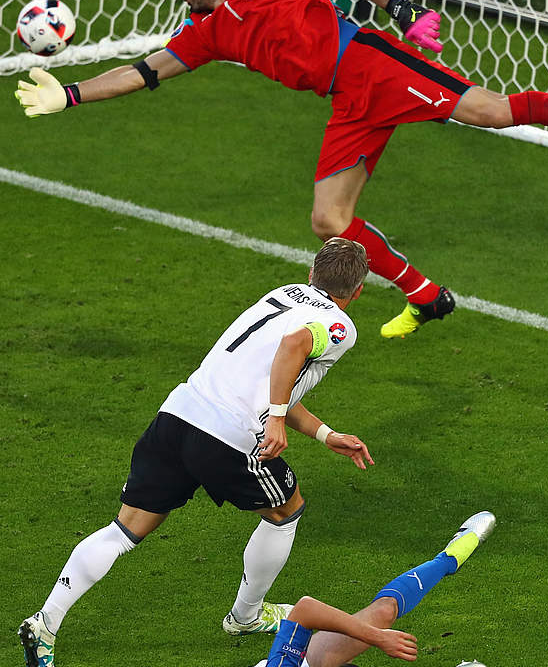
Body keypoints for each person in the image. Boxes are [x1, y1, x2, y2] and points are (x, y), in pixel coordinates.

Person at [15, 0, 548, 339]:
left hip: (373, 62)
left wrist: (396, 7)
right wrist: (69, 94)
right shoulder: (206, 31)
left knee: (494, 111)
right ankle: (429, 297)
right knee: (328, 219)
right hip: (347, 100)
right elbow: (143, 72)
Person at [19, 237, 375, 667]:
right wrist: (277, 419)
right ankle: (245, 616)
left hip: (178, 416)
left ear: (310, 273)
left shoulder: (281, 294)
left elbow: (266, 379)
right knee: (285, 509)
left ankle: (45, 622)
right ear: (357, 291)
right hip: (228, 435)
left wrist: (323, 434)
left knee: (126, 528)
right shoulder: (339, 325)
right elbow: (294, 346)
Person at [253, 510, 496, 667]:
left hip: (302, 662)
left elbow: (306, 610)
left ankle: (447, 559)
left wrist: (377, 637)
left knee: (383, 613)